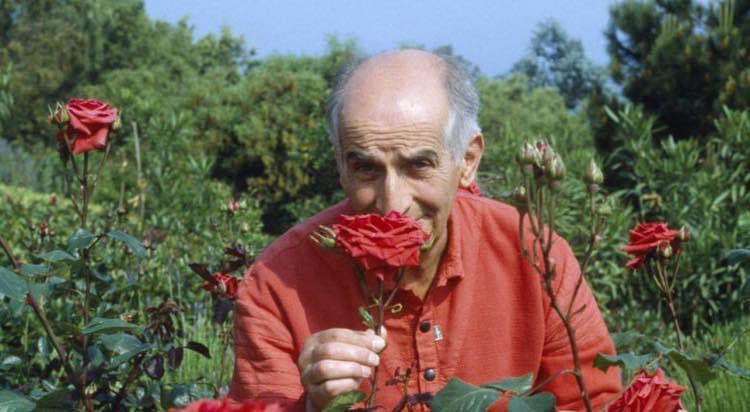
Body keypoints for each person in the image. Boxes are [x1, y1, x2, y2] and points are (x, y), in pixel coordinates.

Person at [228, 49, 621, 411]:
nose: (392, 203)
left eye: (418, 166)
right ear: (341, 166)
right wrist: (313, 407)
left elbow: (595, 400)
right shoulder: (278, 282)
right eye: (365, 168)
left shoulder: (534, 253)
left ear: (467, 160)